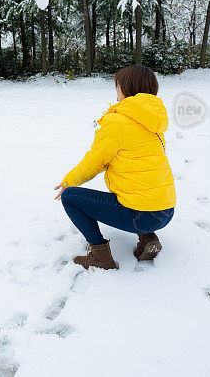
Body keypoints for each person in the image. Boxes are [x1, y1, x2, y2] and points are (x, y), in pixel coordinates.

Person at [55, 65, 176, 270]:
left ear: (128, 89)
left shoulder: (118, 122)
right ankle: (149, 240)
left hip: (140, 215)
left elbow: (95, 161)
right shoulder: (153, 121)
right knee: (139, 189)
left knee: (70, 198)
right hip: (166, 211)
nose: (116, 93)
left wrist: (69, 181)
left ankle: (101, 257)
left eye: (117, 87)